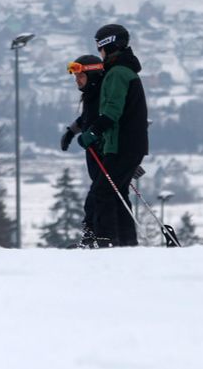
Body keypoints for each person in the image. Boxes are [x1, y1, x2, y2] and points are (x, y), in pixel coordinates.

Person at [77, 24, 148, 247]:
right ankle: (126, 243)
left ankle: (106, 241)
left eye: (100, 47)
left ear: (108, 45)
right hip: (127, 144)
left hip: (122, 145)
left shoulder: (117, 74)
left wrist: (92, 132)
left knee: (103, 192)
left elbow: (111, 112)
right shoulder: (122, 71)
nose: (100, 52)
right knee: (117, 194)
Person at [60, 55, 108, 247]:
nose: (77, 80)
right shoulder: (91, 95)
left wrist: (127, 159)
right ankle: (94, 237)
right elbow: (85, 119)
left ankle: (96, 237)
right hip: (94, 156)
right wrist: (70, 132)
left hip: (104, 154)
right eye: (75, 77)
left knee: (97, 197)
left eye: (81, 76)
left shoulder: (101, 96)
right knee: (97, 195)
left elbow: (106, 121)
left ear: (94, 74)